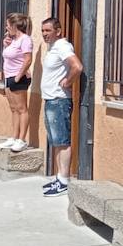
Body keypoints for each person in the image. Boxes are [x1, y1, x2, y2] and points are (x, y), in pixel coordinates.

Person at [39, 18, 82, 197]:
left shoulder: (63, 46)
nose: (44, 34)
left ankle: (64, 181)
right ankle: (59, 177)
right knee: (55, 141)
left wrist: (68, 81)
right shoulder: (53, 48)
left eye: (48, 30)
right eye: (43, 30)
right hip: (50, 100)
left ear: (58, 30)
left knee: (62, 141)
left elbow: (77, 67)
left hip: (59, 100)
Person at [0, 14, 35, 154]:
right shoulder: (13, 40)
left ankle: (21, 139)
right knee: (13, 109)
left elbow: (28, 60)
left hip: (18, 77)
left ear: (15, 25)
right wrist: (5, 45)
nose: (6, 28)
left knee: (22, 109)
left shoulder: (25, 40)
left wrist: (18, 77)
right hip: (9, 77)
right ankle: (14, 137)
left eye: (8, 25)